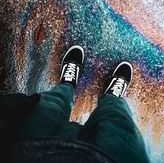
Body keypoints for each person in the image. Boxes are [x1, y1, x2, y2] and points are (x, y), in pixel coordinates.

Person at [1, 45, 151, 163]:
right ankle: (112, 96)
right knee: (117, 119)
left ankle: (67, 85)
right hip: (110, 157)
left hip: (23, 146)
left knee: (51, 105)